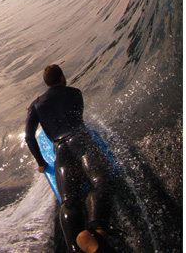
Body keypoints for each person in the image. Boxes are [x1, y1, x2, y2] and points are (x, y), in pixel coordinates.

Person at [25, 64, 111, 253]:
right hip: (81, 141)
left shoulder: (35, 106)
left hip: (61, 151)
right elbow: (78, 120)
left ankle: (75, 247)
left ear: (46, 84)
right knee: (100, 181)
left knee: (69, 201)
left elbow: (29, 138)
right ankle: (97, 231)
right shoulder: (75, 93)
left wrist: (41, 163)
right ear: (62, 77)